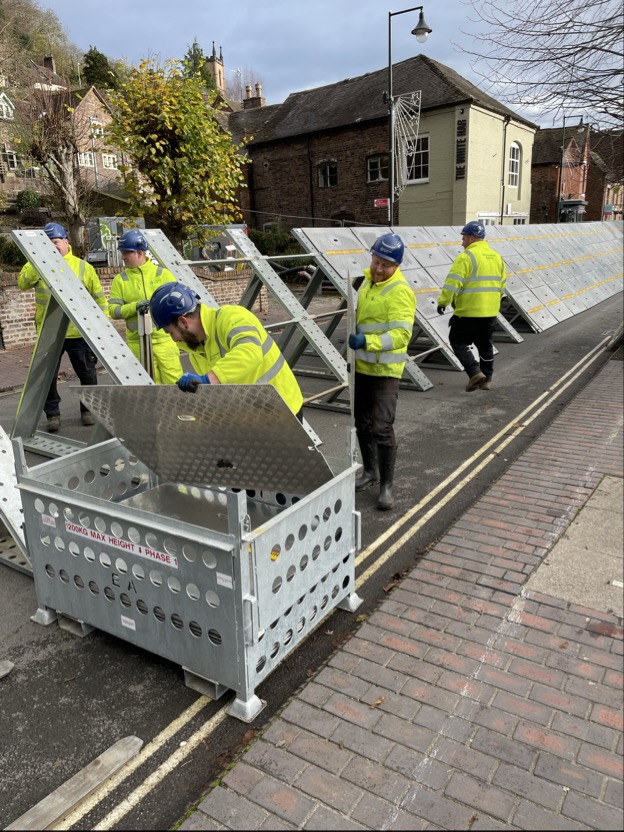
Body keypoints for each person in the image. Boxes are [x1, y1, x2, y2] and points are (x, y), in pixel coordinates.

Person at [148, 281, 304, 418]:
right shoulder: (196, 352)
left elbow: (249, 352)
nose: (174, 340)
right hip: (250, 415)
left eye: (170, 333)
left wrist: (207, 380)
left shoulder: (232, 316)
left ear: (183, 322)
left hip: (282, 408)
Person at [347, 232, 416, 511]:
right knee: (362, 423)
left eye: (385, 265)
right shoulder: (367, 283)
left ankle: (386, 485)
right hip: (362, 367)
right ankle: (370, 472)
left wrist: (367, 341)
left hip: (385, 371)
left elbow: (401, 335)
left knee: (382, 427)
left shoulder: (400, 292)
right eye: (376, 261)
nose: (378, 268)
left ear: (396, 266)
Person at [18, 222, 109, 432]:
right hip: (49, 333)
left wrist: (102, 326)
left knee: (87, 374)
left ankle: (88, 410)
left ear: (66, 241)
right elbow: (22, 283)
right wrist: (37, 263)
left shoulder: (83, 267)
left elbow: (99, 298)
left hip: (78, 331)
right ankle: (53, 415)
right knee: (48, 377)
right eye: (47, 243)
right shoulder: (36, 264)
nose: (52, 246)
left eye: (56, 242)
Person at [436, 221, 506, 392]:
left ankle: (474, 372)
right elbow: (502, 286)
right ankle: (487, 380)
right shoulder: (497, 257)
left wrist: (443, 302)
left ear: (472, 238)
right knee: (485, 345)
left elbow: (453, 283)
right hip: (490, 312)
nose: (462, 242)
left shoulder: (466, 257)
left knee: (457, 341)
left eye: (464, 238)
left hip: (468, 311)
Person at [108, 230, 183, 384]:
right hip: (138, 344)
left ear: (140, 253)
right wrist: (135, 307)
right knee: (147, 386)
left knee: (175, 383)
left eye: (126, 252)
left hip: (165, 340)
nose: (123, 257)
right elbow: (113, 311)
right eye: (122, 252)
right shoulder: (120, 280)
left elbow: (179, 304)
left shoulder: (163, 274)